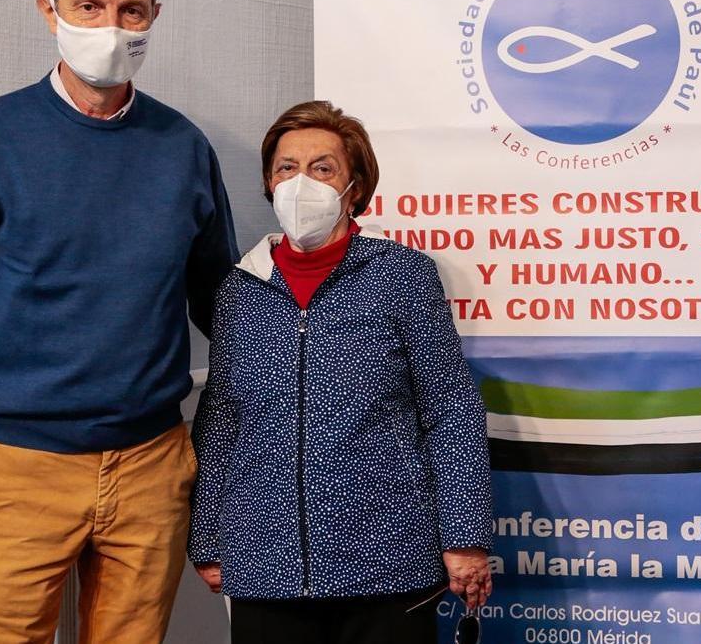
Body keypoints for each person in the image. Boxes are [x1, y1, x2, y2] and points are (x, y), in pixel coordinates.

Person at [0, 0, 237, 641]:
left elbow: (227, 313)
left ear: (154, 15)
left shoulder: (184, 149)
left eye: (130, 9)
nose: (111, 26)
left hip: (151, 465)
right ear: (48, 10)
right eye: (88, 5)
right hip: (18, 469)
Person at [187, 100, 493, 643]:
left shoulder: (403, 275)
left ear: (354, 186)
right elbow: (222, 421)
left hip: (388, 557)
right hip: (266, 562)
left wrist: (465, 536)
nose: (300, 182)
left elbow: (451, 409)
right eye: (286, 168)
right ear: (268, 181)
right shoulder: (240, 288)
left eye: (322, 167)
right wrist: (209, 537)